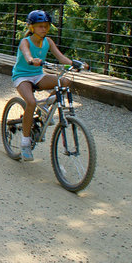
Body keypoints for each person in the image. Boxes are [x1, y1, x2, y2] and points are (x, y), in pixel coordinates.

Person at [12, 10, 87, 161]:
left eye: (46, 26)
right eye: (40, 26)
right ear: (32, 27)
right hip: (22, 76)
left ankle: (45, 106)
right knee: (31, 102)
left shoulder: (48, 41)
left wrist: (76, 64)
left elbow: (61, 58)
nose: (44, 29)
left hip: (38, 75)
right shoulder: (25, 42)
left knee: (65, 82)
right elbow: (27, 54)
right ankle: (25, 142)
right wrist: (32, 59)